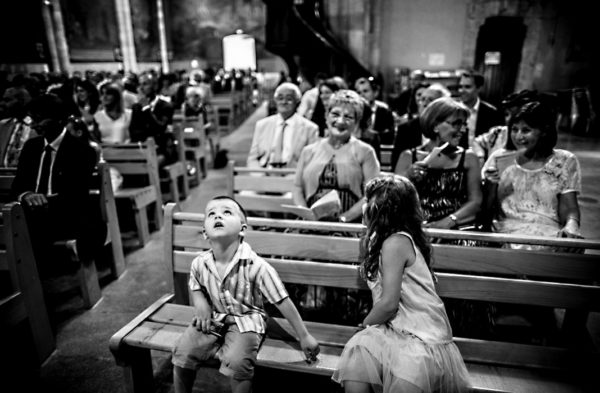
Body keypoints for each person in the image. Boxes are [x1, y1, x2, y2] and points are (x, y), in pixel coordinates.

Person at [332, 175, 470, 393]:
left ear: (381, 209)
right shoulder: (381, 239)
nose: (363, 206)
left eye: (368, 200)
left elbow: (388, 304)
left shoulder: (396, 242)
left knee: (367, 345)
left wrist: (363, 325)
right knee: (358, 354)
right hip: (395, 329)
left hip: (421, 337)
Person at [171, 196, 320, 393]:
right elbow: (195, 283)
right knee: (182, 352)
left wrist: (304, 336)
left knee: (238, 362)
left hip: (247, 321)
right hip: (214, 317)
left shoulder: (256, 266)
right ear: (205, 232)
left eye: (227, 212)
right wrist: (200, 303)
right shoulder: (200, 263)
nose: (218, 215)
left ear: (242, 229)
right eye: (211, 213)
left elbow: (281, 300)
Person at [10, 93, 104, 271]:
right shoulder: (31, 148)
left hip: (67, 215)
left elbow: (75, 196)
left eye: (40, 119)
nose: (34, 124)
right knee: (15, 221)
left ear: (60, 120)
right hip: (33, 214)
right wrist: (28, 195)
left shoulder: (82, 150)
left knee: (19, 227)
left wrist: (43, 201)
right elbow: (17, 186)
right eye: (32, 118)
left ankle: (29, 282)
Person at [482, 101, 582, 248]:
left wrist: (572, 225)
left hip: (548, 237)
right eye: (514, 129)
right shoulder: (499, 158)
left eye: (526, 130)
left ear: (544, 131)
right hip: (504, 235)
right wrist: (490, 186)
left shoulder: (564, 160)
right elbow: (485, 212)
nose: (518, 136)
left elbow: (570, 209)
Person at [293, 90, 380, 223]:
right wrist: (306, 216)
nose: (340, 121)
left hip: (350, 224)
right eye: (335, 114)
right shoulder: (308, 151)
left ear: (356, 123)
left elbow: (371, 195)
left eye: (348, 117)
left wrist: (344, 218)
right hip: (310, 223)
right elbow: (297, 187)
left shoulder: (365, 151)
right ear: (326, 116)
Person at [395, 97, 482, 229]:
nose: (463, 130)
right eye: (456, 124)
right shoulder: (408, 157)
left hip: (456, 228)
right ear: (435, 126)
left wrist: (449, 221)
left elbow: (475, 202)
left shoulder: (469, 158)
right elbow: (394, 200)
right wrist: (408, 177)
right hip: (416, 229)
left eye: (464, 124)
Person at [247, 82, 318, 169]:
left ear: (297, 102)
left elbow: (311, 161)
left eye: (289, 99)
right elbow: (253, 158)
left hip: (293, 176)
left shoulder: (310, 128)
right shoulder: (262, 125)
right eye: (280, 98)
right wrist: (260, 177)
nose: (284, 102)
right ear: (275, 101)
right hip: (265, 175)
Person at [391, 83, 451, 170]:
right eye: (422, 99)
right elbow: (396, 165)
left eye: (430, 100)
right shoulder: (405, 129)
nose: (424, 103)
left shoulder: (453, 129)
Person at [473, 89, 538, 165]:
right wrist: (480, 156)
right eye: (507, 114)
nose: (510, 120)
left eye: (515, 115)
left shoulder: (532, 139)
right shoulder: (497, 132)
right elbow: (476, 142)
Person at [457, 71, 504, 149]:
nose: (462, 91)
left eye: (467, 87)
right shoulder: (452, 110)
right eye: (460, 87)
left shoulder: (492, 113)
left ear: (479, 88)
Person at [354, 77, 395, 145]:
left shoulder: (385, 111)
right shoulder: (354, 111)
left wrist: (373, 135)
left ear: (375, 92)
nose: (362, 95)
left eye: (365, 91)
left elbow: (390, 135)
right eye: (359, 92)